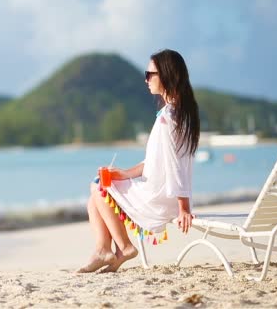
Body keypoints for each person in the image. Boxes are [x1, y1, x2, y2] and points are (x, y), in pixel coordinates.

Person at [77, 49, 200, 273]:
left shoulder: (169, 118)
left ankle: (123, 247)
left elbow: (176, 165)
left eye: (149, 74)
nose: (146, 79)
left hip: (162, 198)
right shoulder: (179, 113)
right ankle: (103, 250)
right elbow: (155, 163)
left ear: (166, 74)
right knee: (93, 200)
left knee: (97, 184)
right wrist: (123, 174)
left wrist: (183, 208)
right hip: (167, 194)